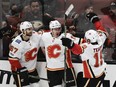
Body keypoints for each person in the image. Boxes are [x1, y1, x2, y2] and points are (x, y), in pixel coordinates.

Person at [61, 13, 107, 87]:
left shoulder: (87, 47)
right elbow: (101, 29)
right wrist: (95, 20)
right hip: (101, 71)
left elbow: (77, 50)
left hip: (93, 76)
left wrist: (70, 44)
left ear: (88, 40)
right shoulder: (101, 39)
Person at [40, 20, 81, 87]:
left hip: (66, 67)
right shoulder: (45, 36)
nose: (58, 31)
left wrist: (71, 44)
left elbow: (80, 43)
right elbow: (41, 45)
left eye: (59, 29)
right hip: (51, 69)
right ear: (51, 30)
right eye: (55, 29)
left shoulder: (66, 36)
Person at [8, 21, 42, 87]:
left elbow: (45, 35)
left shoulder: (35, 35)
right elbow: (12, 59)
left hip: (32, 69)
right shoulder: (16, 43)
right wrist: (21, 69)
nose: (31, 31)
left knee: (37, 85)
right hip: (20, 70)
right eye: (28, 29)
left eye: (31, 28)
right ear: (23, 30)